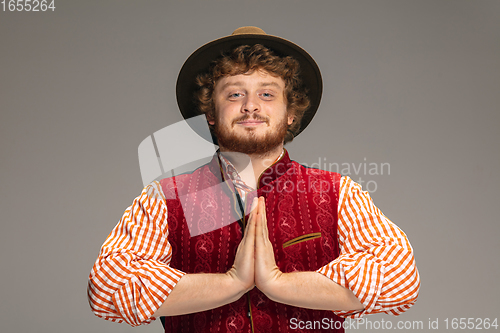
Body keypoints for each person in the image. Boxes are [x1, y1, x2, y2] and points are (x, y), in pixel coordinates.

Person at [87, 27, 420, 332]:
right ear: (211, 115)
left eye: (266, 94)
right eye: (234, 95)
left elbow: (399, 278)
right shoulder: (166, 198)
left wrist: (278, 284)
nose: (249, 106)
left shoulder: (338, 193)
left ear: (291, 113)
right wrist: (231, 283)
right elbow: (107, 287)